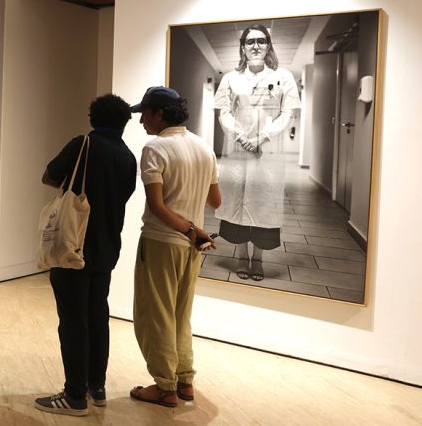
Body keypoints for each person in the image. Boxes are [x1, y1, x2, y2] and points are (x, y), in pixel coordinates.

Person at [33, 94, 138, 417]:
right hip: (107, 248)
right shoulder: (128, 157)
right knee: (97, 317)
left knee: (73, 320)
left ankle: (74, 395)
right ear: (124, 123)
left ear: (93, 118)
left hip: (73, 245)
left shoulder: (83, 145)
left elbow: (49, 176)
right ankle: (96, 387)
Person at [129, 86, 221, 408]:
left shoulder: (155, 148)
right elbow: (215, 200)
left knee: (156, 315)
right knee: (182, 314)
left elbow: (157, 206)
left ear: (159, 114)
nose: (141, 120)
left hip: (162, 241)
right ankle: (184, 381)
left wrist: (190, 229)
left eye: (144, 113)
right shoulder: (204, 148)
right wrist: (193, 225)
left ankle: (164, 387)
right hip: (192, 247)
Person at [213, 25, 300, 281]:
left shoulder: (284, 76)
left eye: (261, 41)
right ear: (242, 47)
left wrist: (263, 137)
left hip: (268, 151)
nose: (255, 46)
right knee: (237, 200)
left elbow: (288, 114)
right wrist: (241, 137)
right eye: (250, 42)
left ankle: (258, 259)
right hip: (238, 149)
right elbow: (224, 113)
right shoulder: (231, 78)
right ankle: (242, 256)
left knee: (264, 200)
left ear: (269, 45)